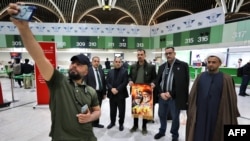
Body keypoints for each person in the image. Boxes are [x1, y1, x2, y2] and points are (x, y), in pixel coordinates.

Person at [7, 3, 101, 141]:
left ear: (87, 72)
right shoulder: (59, 82)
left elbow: (97, 111)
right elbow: (40, 58)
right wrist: (24, 28)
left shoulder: (91, 91)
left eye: (79, 64)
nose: (74, 66)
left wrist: (90, 117)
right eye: (73, 63)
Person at [186, 53, 240, 141]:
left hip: (218, 112)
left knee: (216, 132)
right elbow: (193, 95)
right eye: (209, 62)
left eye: (214, 62)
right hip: (201, 112)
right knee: (199, 132)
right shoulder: (200, 76)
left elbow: (231, 98)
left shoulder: (227, 78)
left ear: (220, 63)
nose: (210, 64)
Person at [154, 47, 189, 141]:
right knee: (162, 114)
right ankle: (162, 131)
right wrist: (161, 93)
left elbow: (183, 83)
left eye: (170, 53)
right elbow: (158, 82)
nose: (168, 55)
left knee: (175, 117)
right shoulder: (162, 67)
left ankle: (174, 135)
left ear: (174, 53)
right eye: (166, 53)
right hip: (162, 97)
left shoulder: (182, 65)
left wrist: (171, 94)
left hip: (174, 98)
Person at [128, 49, 156, 135]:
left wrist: (153, 83)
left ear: (145, 55)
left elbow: (155, 78)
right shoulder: (133, 66)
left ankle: (144, 127)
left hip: (146, 90)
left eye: (141, 54)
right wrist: (130, 81)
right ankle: (135, 125)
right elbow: (129, 76)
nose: (140, 56)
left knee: (145, 110)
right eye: (138, 55)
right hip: (135, 90)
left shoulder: (151, 67)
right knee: (136, 109)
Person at [106, 57, 129, 131]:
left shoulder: (124, 71)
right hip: (112, 94)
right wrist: (111, 89)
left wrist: (117, 89)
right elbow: (107, 82)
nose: (118, 63)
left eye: (119, 62)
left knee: (121, 111)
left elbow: (125, 82)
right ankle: (112, 122)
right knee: (112, 110)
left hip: (121, 95)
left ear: (121, 63)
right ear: (113, 62)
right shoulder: (110, 72)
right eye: (116, 61)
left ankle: (121, 124)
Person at [85, 56, 106, 128]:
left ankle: (96, 123)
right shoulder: (88, 71)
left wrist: (104, 93)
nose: (96, 63)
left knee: (98, 109)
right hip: (91, 93)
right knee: (90, 108)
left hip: (100, 93)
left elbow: (103, 82)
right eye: (95, 61)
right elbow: (84, 82)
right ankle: (89, 123)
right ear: (92, 62)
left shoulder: (101, 70)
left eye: (98, 61)